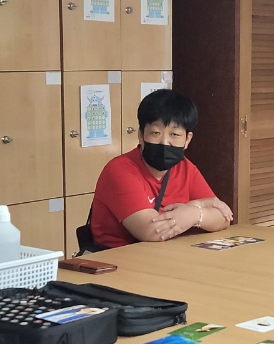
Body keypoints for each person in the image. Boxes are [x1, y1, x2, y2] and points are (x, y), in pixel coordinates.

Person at [87, 88, 234, 248]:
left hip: (165, 254)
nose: (164, 142)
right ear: (141, 135)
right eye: (155, 133)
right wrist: (199, 210)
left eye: (174, 135)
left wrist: (193, 212)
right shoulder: (119, 170)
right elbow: (152, 231)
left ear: (187, 140)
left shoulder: (185, 167)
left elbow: (223, 217)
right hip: (117, 258)